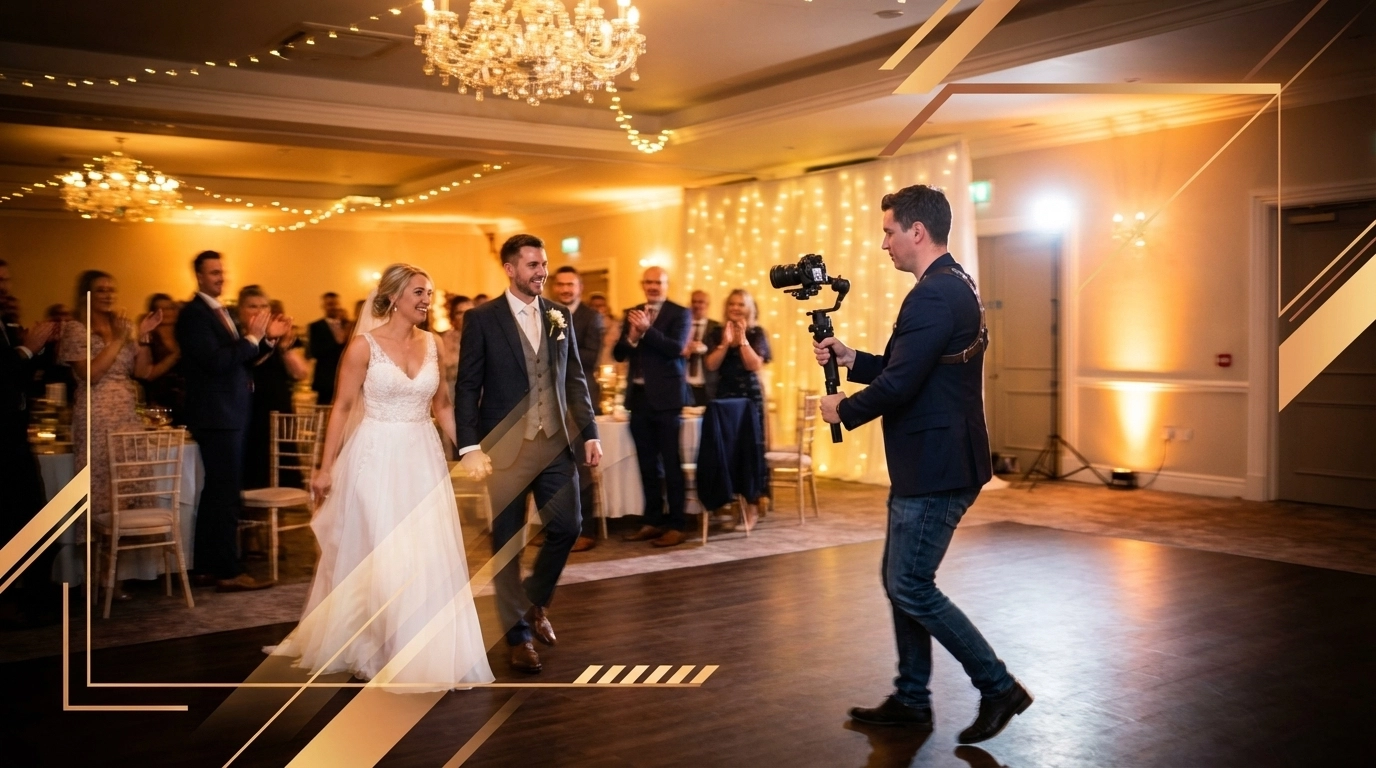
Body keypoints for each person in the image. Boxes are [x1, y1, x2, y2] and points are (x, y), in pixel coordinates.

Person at [813, 185, 1031, 743]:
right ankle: (911, 698)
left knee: (909, 583)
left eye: (889, 231)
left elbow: (903, 382)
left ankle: (997, 686)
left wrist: (843, 407)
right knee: (901, 580)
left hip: (937, 464)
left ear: (916, 231)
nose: (883, 242)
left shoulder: (933, 295)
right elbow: (909, 364)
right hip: (935, 459)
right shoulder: (950, 284)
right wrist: (850, 357)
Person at [275, 264, 493, 691]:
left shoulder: (432, 344)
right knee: (382, 552)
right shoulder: (362, 347)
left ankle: (416, 646)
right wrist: (324, 467)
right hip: (374, 457)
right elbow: (340, 407)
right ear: (393, 297)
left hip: (422, 458)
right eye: (418, 292)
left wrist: (470, 449)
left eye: (429, 293)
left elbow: (443, 407)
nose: (426, 301)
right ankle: (373, 645)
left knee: (422, 552)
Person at [456, 234, 601, 673]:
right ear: (510, 268)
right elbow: (467, 386)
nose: (542, 272)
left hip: (555, 444)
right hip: (505, 450)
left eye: (544, 264)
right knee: (507, 546)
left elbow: (574, 377)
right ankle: (518, 637)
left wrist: (590, 431)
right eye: (534, 265)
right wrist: (468, 446)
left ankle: (535, 602)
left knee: (568, 525)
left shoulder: (559, 316)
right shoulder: (482, 319)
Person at [176, 251, 285, 592]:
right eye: (213, 273)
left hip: (230, 412)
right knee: (224, 496)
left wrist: (267, 340)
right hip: (216, 414)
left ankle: (207, 566)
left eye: (222, 272)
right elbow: (215, 361)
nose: (220, 277)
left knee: (217, 494)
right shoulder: (194, 315)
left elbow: (242, 360)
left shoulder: (219, 312)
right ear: (198, 276)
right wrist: (252, 339)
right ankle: (227, 570)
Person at [59, 271, 162, 598]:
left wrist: (142, 337)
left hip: (126, 415)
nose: (107, 294)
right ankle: (92, 580)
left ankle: (113, 580)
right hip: (96, 415)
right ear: (86, 294)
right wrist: (119, 338)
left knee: (124, 495)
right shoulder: (76, 329)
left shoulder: (123, 325)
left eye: (111, 289)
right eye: (100, 290)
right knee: (98, 495)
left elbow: (143, 372)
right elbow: (90, 373)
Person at [614, 267, 692, 548]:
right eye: (648, 282)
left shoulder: (680, 313)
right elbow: (619, 353)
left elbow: (675, 349)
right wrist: (633, 335)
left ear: (667, 284)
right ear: (642, 284)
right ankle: (653, 520)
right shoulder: (633, 311)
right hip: (639, 398)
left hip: (668, 400)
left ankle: (677, 524)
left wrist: (647, 331)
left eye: (658, 282)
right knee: (647, 464)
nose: (653, 287)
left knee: (671, 463)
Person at [0, 260, 58, 627]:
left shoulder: (5, 326)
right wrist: (25, 351)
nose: (6, 287)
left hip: (14, 437)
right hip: (3, 442)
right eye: (0, 281)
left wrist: (33, 352)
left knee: (33, 519)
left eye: (7, 280)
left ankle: (35, 600)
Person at [703, 288, 771, 527]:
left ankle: (752, 507)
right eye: (731, 304)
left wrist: (741, 341)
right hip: (724, 399)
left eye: (740, 304)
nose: (735, 308)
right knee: (727, 452)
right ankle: (731, 504)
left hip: (749, 400)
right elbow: (710, 365)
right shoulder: (715, 332)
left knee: (749, 452)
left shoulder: (756, 333)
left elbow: (754, 365)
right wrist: (724, 344)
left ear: (749, 308)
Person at [551, 266, 605, 552]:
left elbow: (590, 357)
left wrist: (554, 351)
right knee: (553, 468)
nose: (565, 289)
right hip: (550, 401)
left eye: (570, 284)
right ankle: (559, 529)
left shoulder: (591, 317)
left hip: (579, 399)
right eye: (560, 284)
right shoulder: (547, 312)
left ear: (580, 287)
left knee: (582, 468)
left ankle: (587, 530)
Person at [239, 287, 305, 490]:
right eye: (252, 306)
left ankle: (281, 508)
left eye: (264, 306)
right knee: (256, 463)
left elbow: (300, 373)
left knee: (282, 460)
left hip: (279, 403)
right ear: (241, 310)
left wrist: (283, 346)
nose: (259, 311)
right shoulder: (238, 338)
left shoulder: (278, 338)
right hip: (251, 407)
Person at [138, 293, 184, 423]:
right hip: (159, 403)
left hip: (185, 401)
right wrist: (174, 356)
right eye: (162, 309)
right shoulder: (149, 339)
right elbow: (147, 374)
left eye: (171, 308)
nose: (168, 312)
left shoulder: (183, 336)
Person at [307, 292, 349, 407]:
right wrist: (336, 340)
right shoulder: (315, 326)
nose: (333, 307)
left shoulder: (348, 325)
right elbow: (313, 351)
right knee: (322, 409)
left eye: (335, 304)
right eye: (329, 304)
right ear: (324, 306)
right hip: (325, 378)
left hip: (346, 376)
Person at [683, 290, 720, 407]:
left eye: (701, 302)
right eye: (694, 301)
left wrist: (705, 350)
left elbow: (721, 353)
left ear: (707, 305)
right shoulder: (682, 326)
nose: (697, 305)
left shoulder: (717, 328)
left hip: (708, 387)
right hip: (684, 386)